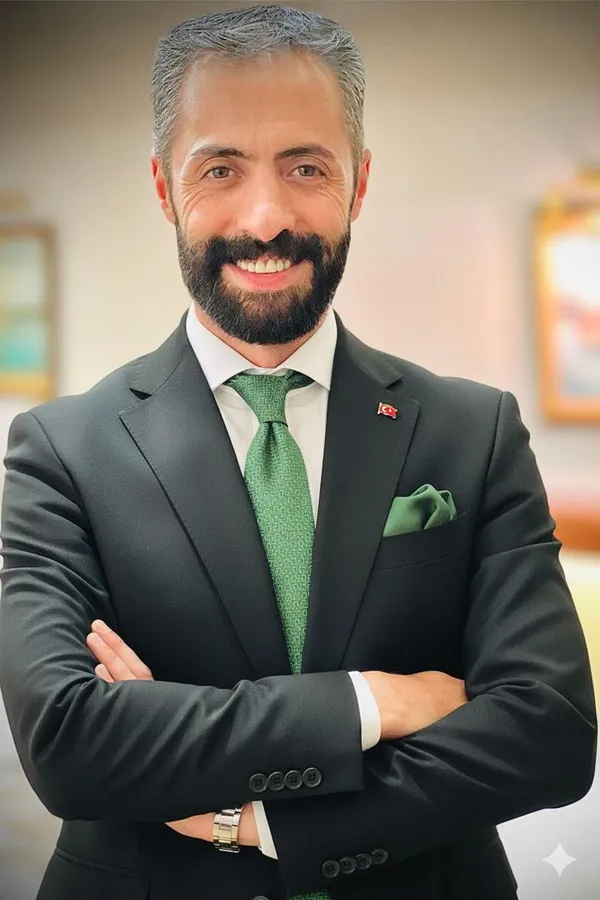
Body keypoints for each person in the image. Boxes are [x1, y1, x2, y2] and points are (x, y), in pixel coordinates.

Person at [0, 5, 596, 900]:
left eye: (306, 167)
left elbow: (549, 735)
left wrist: (261, 822)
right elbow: (70, 744)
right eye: (220, 169)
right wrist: (375, 702)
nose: (267, 217)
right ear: (164, 187)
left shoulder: (474, 431)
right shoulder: (59, 452)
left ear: (359, 183)